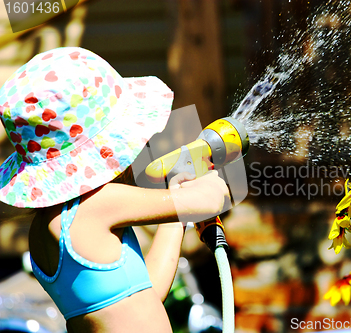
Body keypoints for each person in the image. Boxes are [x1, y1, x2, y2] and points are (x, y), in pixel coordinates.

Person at [0, 47, 230, 332]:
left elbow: (147, 295)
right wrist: (207, 175)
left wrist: (179, 209)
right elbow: (209, 199)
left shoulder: (47, 229)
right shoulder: (100, 205)